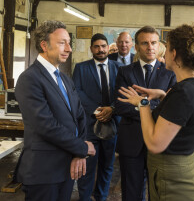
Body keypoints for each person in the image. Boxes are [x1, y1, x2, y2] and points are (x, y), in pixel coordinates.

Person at [117, 23, 194, 201]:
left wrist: (143, 104)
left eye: (166, 48)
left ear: (174, 54)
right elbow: (180, 113)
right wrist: (161, 95)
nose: (162, 52)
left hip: (176, 182)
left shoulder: (182, 92)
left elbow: (154, 144)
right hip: (183, 173)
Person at [14, 20, 96, 201]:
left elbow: (80, 116)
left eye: (69, 42)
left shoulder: (65, 79)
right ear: (44, 45)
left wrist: (78, 153)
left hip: (67, 166)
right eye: (62, 43)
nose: (69, 48)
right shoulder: (30, 79)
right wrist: (81, 147)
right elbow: (45, 125)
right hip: (44, 171)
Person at [114, 26, 176, 201]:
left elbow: (170, 107)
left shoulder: (169, 74)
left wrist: (140, 104)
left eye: (154, 43)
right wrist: (153, 105)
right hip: (131, 142)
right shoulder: (125, 72)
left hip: (159, 141)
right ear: (137, 47)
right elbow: (121, 106)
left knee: (157, 192)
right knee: (131, 192)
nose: (150, 47)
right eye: (145, 43)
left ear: (158, 45)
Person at [73, 33, 121, 201]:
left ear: (108, 48)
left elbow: (122, 92)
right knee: (88, 165)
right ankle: (84, 198)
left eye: (103, 46)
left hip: (112, 124)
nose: (100, 50)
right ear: (91, 49)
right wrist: (98, 111)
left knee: (107, 165)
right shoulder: (81, 68)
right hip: (89, 125)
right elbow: (77, 92)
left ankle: (101, 197)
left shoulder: (119, 67)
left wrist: (112, 109)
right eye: (96, 46)